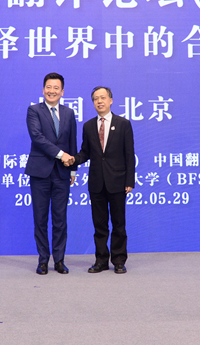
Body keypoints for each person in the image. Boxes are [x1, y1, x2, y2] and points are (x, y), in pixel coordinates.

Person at [68, 86, 135, 274]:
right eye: (96, 98)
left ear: (110, 100)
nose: (99, 101)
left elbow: (129, 154)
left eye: (103, 98)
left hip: (118, 182)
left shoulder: (123, 124)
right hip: (97, 183)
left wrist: (129, 180)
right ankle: (101, 260)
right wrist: (73, 160)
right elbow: (85, 153)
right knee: (99, 225)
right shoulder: (89, 126)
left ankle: (119, 260)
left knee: (119, 224)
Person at [24, 73, 77, 275]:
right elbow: (37, 137)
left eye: (56, 88)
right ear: (43, 89)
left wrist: (73, 169)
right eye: (48, 87)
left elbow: (72, 141)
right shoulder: (34, 110)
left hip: (62, 173)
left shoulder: (69, 113)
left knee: (60, 219)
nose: (51, 91)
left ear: (62, 92)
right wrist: (61, 155)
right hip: (40, 173)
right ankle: (43, 260)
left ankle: (60, 260)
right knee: (40, 218)